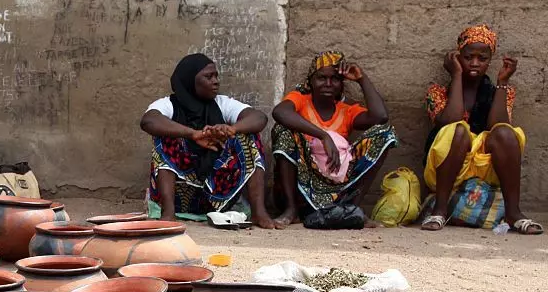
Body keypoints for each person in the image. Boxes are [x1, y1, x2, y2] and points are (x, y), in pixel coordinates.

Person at [421, 25, 542, 234]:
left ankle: (513, 213)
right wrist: (457, 75)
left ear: (490, 61)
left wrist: (503, 82)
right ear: (458, 57)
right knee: (458, 130)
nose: (475, 63)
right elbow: (451, 120)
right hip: (446, 168)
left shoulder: (502, 92)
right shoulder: (437, 92)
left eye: (482, 58)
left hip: (483, 168)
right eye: (468, 57)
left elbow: (498, 126)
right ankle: (440, 210)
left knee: (506, 132)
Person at [140, 54, 271, 226]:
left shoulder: (221, 103)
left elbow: (259, 118)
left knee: (249, 136)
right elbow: (149, 121)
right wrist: (192, 134)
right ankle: (168, 213)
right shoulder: (168, 104)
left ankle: (259, 212)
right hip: (182, 194)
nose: (215, 81)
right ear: (190, 81)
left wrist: (232, 129)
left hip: (219, 194)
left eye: (216, 76)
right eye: (208, 77)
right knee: (164, 137)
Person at [271, 51, 397, 228]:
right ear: (311, 81)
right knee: (282, 130)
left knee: (384, 134)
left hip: (338, 183)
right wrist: (323, 136)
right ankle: (291, 210)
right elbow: (280, 112)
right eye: (321, 78)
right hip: (303, 185)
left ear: (341, 84)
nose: (328, 84)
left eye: (335, 79)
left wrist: (362, 79)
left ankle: (353, 209)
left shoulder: (347, 111)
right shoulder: (300, 100)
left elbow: (380, 117)